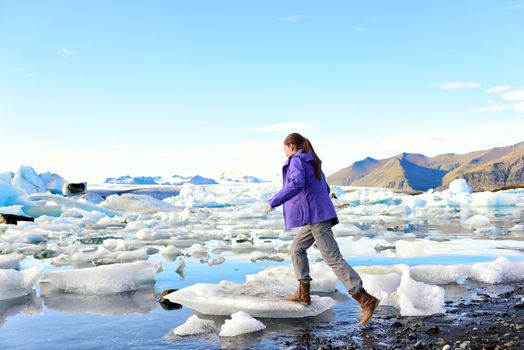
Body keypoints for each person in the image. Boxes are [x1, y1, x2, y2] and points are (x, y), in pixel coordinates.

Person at [264, 132, 380, 325]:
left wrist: (273, 202)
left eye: (284, 149)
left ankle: (365, 299)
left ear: (291, 147)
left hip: (316, 216)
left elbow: (295, 184)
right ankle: (304, 294)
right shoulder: (313, 161)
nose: (285, 153)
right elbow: (324, 188)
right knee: (297, 248)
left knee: (333, 258)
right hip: (316, 215)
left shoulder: (296, 160)